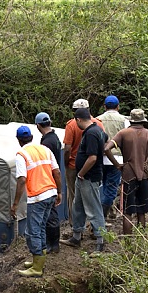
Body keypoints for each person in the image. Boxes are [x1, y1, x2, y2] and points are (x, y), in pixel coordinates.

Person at [104, 109, 148, 235]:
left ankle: (128, 242)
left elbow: (107, 149)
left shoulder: (123, 134)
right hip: (144, 175)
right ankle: (142, 242)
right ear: (143, 120)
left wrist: (118, 165)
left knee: (127, 211)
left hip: (128, 175)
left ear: (131, 120)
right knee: (142, 211)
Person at [11, 125, 62, 278]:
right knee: (40, 228)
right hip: (50, 193)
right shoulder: (45, 150)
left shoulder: (22, 154)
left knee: (32, 231)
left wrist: (15, 204)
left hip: (38, 197)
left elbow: (21, 180)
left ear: (19, 140)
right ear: (32, 137)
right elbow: (57, 172)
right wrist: (59, 192)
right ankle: (37, 261)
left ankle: (37, 268)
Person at [60, 108, 106, 252]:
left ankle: (100, 241)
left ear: (78, 120)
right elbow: (106, 141)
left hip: (89, 177)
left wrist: (81, 173)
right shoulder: (97, 129)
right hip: (84, 177)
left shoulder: (92, 133)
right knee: (77, 206)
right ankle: (76, 236)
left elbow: (92, 158)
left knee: (93, 208)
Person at [63, 99, 103, 228]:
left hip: (78, 168)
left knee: (74, 198)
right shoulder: (98, 124)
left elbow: (68, 148)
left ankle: (77, 226)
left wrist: (66, 163)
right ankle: (89, 229)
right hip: (92, 169)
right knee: (88, 200)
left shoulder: (72, 125)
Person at [96, 95, 130, 223]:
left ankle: (99, 216)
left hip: (99, 158)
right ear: (118, 107)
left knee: (101, 186)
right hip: (117, 159)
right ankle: (102, 218)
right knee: (111, 189)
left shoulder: (98, 120)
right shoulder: (124, 121)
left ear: (104, 106)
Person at [35, 112, 62, 253]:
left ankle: (53, 244)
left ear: (38, 126)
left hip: (48, 179)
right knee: (51, 212)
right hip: (53, 177)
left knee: (50, 213)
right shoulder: (55, 138)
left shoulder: (46, 143)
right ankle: (53, 243)